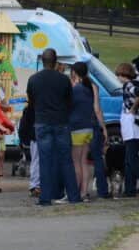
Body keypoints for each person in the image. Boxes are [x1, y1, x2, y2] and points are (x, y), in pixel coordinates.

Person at [28, 48, 80, 206]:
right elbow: (70, 102)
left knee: (45, 160)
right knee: (66, 160)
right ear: (55, 61)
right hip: (61, 123)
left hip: (42, 122)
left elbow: (31, 102)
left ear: (42, 61)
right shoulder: (63, 79)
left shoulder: (34, 79)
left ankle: (45, 198)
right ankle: (73, 196)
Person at [69, 62, 108, 201]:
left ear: (74, 73)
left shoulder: (74, 88)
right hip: (89, 128)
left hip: (76, 128)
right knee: (84, 161)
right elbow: (97, 109)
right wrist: (103, 128)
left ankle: (76, 192)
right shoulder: (93, 86)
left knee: (76, 162)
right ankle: (84, 192)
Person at [115, 62, 139, 197]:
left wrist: (133, 108)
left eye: (118, 75)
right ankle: (130, 188)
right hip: (134, 124)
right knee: (130, 158)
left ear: (122, 74)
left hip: (131, 125)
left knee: (131, 158)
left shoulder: (129, 86)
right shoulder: (135, 83)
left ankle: (130, 187)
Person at [19, 100, 40, 197]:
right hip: (36, 137)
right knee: (38, 161)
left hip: (34, 137)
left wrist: (24, 139)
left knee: (35, 161)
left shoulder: (28, 109)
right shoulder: (34, 109)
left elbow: (23, 126)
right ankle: (36, 185)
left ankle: (35, 185)